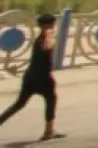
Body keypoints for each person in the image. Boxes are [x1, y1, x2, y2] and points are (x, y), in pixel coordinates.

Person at [0, 13, 62, 141]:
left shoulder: (40, 38)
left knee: (20, 103)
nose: (54, 26)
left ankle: (49, 130)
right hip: (42, 77)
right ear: (47, 25)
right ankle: (48, 131)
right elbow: (48, 46)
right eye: (52, 24)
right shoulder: (45, 38)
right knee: (50, 100)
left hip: (30, 76)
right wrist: (50, 34)